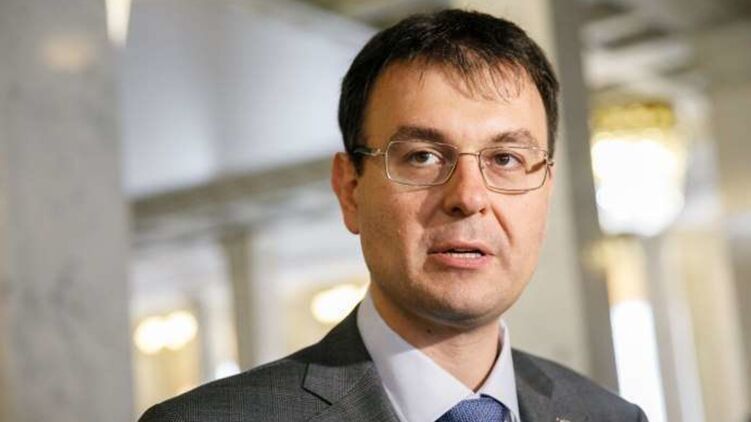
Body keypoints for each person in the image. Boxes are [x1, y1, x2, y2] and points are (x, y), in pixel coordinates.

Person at [140, 9, 648, 422]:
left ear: (545, 193)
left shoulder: (610, 417)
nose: (469, 196)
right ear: (350, 190)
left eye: (506, 159)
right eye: (423, 157)